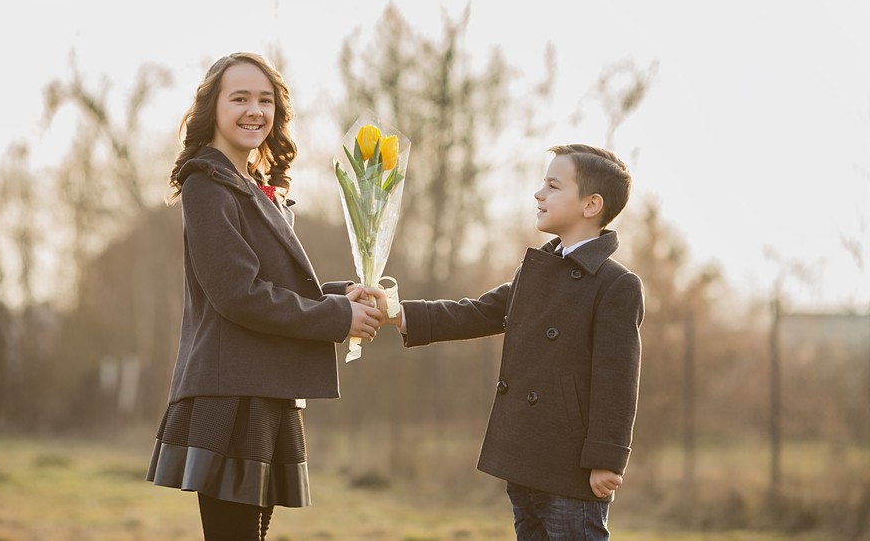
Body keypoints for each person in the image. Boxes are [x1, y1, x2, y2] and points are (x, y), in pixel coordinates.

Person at [146, 52, 385, 541]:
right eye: (240, 99)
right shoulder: (206, 184)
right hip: (229, 393)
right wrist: (338, 318)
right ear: (212, 108)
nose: (255, 110)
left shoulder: (254, 187)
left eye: (265, 100)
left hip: (266, 390)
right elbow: (240, 295)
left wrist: (346, 294)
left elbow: (279, 289)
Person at [389, 144, 645, 541]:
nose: (539, 194)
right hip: (525, 454)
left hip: (571, 464)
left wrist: (607, 459)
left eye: (553, 185)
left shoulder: (617, 285)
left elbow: (618, 380)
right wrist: (397, 312)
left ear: (591, 205)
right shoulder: (536, 269)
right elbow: (477, 312)